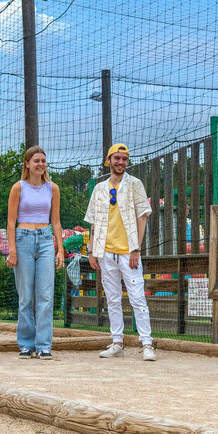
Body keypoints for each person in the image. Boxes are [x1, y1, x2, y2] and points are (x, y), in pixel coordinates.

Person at [84, 143, 156, 361]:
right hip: (106, 252)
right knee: (112, 298)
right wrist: (91, 250)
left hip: (128, 252)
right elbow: (94, 222)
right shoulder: (99, 189)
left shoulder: (135, 185)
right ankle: (117, 342)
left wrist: (136, 249)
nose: (121, 162)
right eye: (117, 158)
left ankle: (147, 344)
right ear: (109, 160)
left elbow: (142, 216)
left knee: (136, 297)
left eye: (124, 159)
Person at [6, 146, 65, 359]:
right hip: (23, 238)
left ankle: (43, 345)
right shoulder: (18, 188)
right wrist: (12, 250)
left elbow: (56, 221)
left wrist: (60, 248)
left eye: (43, 161)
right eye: (36, 161)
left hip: (46, 240)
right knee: (26, 296)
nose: (40, 164)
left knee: (45, 295)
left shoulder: (53, 188)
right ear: (27, 163)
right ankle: (25, 343)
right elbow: (11, 222)